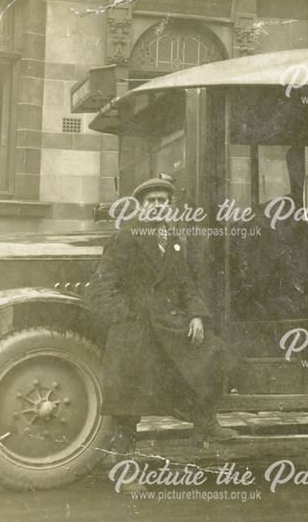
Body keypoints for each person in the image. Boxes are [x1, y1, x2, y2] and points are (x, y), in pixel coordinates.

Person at [87, 174, 237, 459]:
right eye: (151, 201)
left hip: (169, 324)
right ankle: (123, 450)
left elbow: (186, 287)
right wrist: (127, 316)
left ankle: (204, 423)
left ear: (169, 206)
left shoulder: (173, 241)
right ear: (141, 206)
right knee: (128, 375)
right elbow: (101, 287)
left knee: (214, 350)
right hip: (136, 324)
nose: (157, 206)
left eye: (163, 201)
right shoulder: (125, 238)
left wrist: (196, 316)